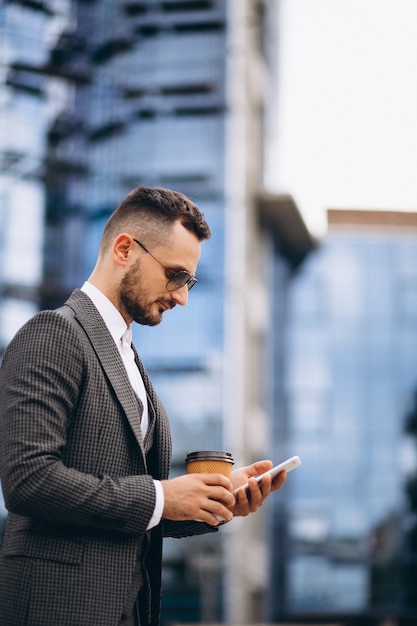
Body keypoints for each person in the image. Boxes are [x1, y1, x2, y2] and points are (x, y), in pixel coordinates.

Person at [0, 186, 287, 626]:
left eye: (188, 281)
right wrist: (161, 494)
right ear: (124, 249)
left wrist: (214, 501)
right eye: (175, 275)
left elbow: (135, 511)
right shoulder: (54, 334)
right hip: (56, 609)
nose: (182, 296)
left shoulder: (129, 359)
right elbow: (29, 480)